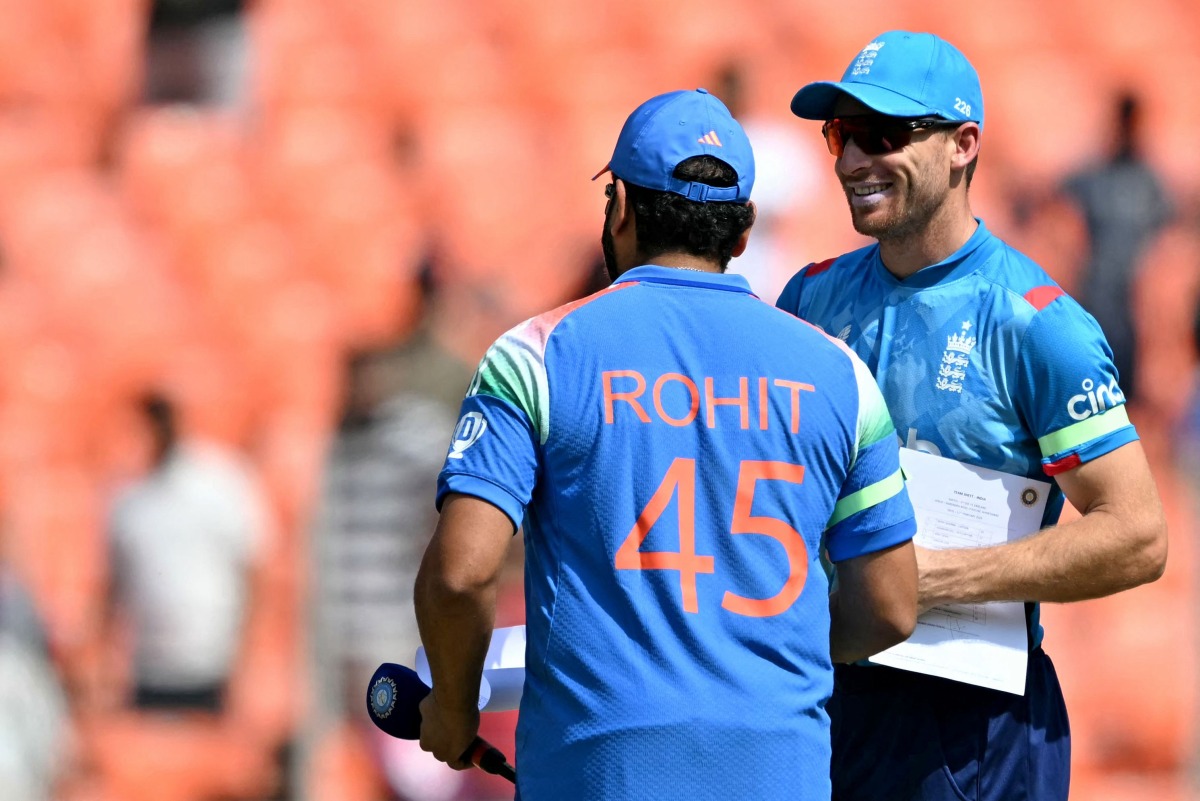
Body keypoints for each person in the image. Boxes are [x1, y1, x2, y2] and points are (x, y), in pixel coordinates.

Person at [414, 88, 919, 801]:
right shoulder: (841, 375)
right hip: (779, 766)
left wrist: (456, 706)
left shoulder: (534, 354)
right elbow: (893, 606)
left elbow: (461, 573)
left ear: (619, 206)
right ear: (743, 232)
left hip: (600, 768)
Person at [778, 30, 1169, 801]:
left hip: (970, 727)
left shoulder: (1037, 323)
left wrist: (920, 580)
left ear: (963, 146)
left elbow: (1137, 534)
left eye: (882, 135)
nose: (852, 161)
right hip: (825, 703)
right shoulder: (807, 298)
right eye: (840, 135)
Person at [104, 392, 269, 713]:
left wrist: (244, 658)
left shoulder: (220, 482)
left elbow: (252, 569)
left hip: (213, 664)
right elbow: (114, 586)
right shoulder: (126, 499)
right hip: (149, 666)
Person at [1060, 92, 1173, 405]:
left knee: (1132, 397)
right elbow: (1048, 214)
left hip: (1134, 304)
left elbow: (1170, 247)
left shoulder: (1150, 183)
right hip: (1093, 298)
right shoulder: (1091, 177)